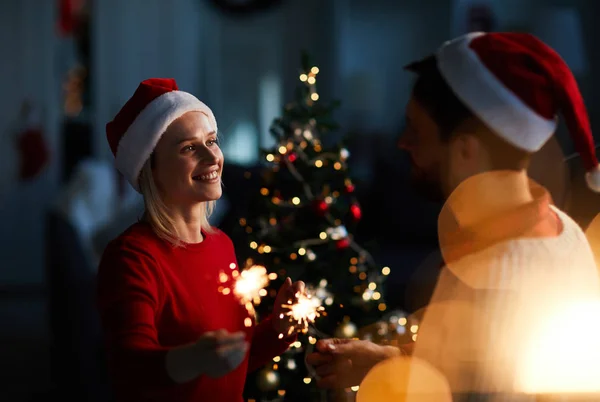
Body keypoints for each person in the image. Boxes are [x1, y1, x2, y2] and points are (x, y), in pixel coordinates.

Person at [307, 32, 600, 396]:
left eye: (416, 130)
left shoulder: (494, 277)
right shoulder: (561, 229)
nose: (403, 143)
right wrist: (387, 361)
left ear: (465, 150)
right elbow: (472, 371)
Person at [97, 78, 304, 402]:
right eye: (189, 148)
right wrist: (193, 358)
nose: (212, 158)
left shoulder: (222, 244)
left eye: (212, 141)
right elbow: (129, 367)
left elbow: (231, 362)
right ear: (151, 169)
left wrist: (280, 328)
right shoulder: (132, 257)